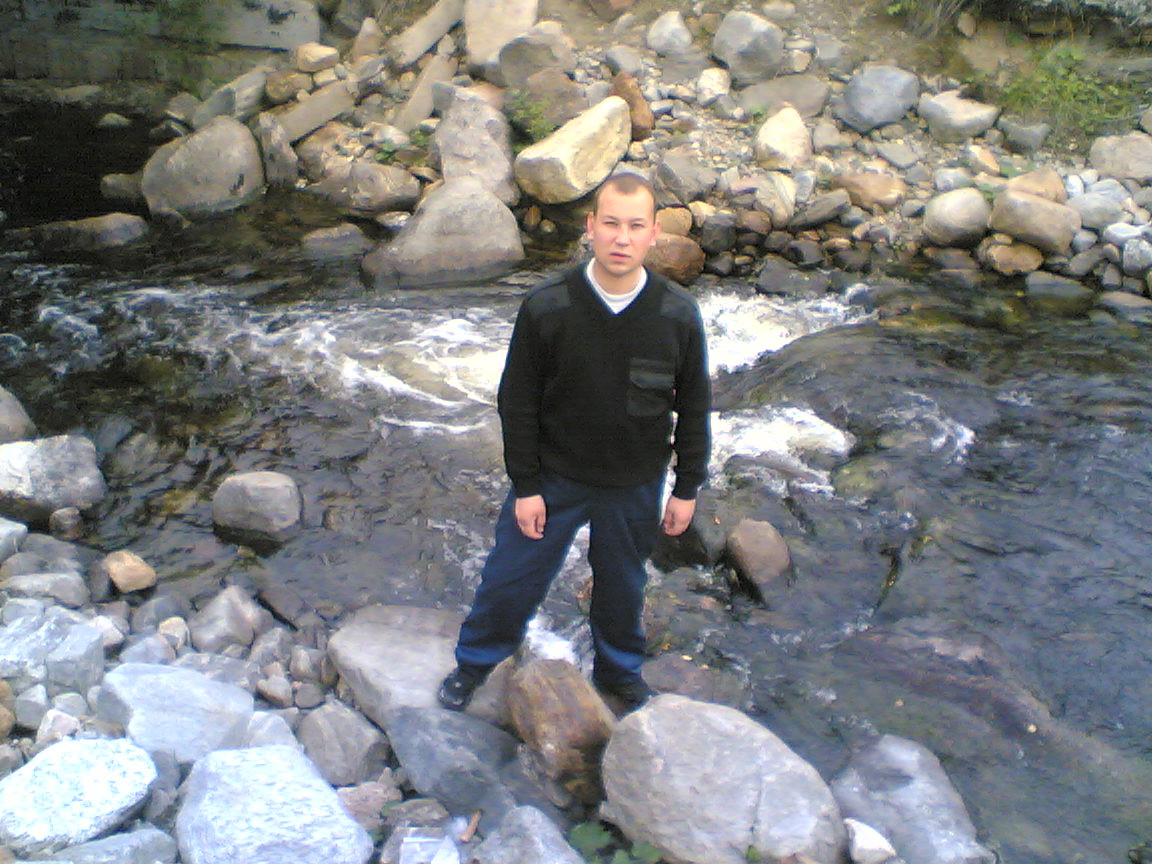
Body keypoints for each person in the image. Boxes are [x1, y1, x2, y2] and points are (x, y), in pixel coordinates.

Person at [438, 172, 711, 713]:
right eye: (611, 224)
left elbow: (695, 405)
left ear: (654, 233)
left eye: (635, 226)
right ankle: (474, 664)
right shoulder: (548, 306)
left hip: (634, 483)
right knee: (510, 579)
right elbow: (517, 401)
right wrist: (526, 485)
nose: (621, 238)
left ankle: (619, 675)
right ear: (591, 227)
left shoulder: (677, 314)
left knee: (623, 588)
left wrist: (687, 487)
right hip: (554, 477)